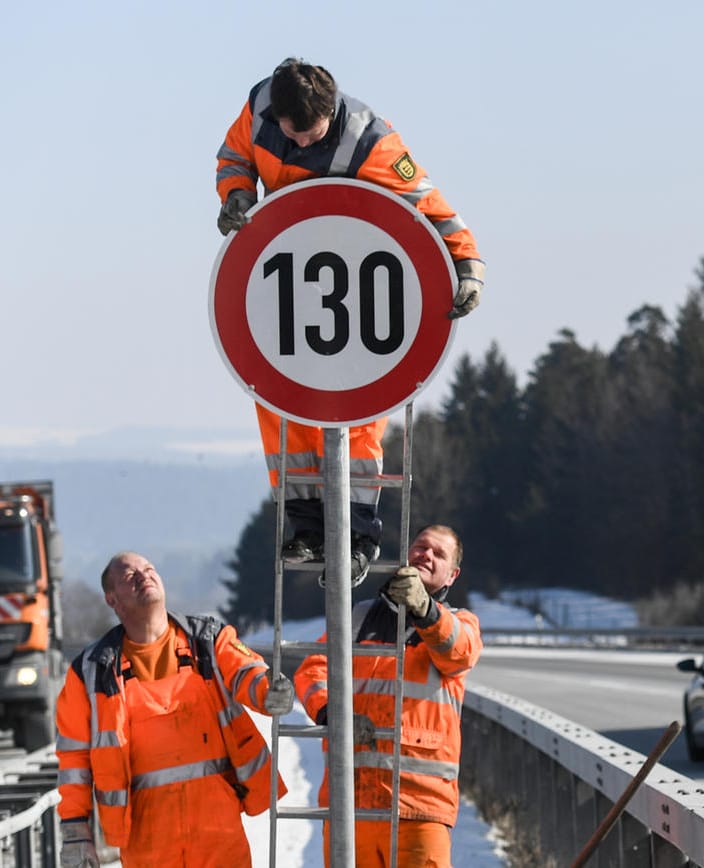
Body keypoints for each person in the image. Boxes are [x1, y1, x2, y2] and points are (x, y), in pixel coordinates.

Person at [214, 57, 485, 582]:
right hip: (287, 284)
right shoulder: (260, 106)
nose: (304, 146)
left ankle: (359, 532)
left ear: (331, 111)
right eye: (295, 136)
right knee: (279, 406)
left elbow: (428, 202)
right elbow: (233, 157)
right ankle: (306, 526)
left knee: (358, 419)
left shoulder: (370, 141)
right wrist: (238, 194)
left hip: (357, 293)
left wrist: (467, 263)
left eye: (314, 136)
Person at [55, 552, 295, 868]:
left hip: (217, 828)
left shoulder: (208, 641)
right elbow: (74, 757)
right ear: (112, 600)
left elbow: (246, 672)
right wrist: (75, 829)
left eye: (149, 568)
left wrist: (269, 691)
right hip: (147, 839)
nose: (144, 576)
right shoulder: (89, 672)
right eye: (130, 576)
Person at [294, 524, 482, 868]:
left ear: (452, 576)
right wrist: (331, 713)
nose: (426, 554)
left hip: (420, 808)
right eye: (421, 547)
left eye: (438, 554)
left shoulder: (459, 622)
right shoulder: (360, 616)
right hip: (352, 803)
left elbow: (459, 652)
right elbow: (312, 670)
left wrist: (425, 611)